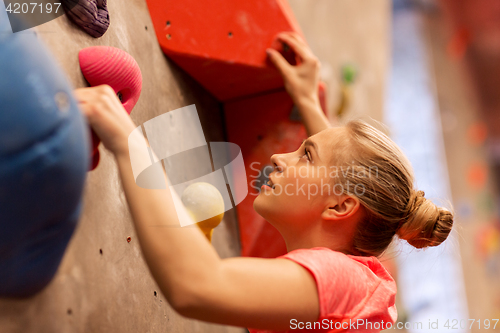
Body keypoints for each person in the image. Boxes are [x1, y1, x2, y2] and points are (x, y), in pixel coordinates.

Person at [74, 32, 453, 332]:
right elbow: (339, 179)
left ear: (340, 208)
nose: (277, 157)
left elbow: (197, 286)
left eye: (305, 154)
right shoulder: (354, 260)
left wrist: (127, 142)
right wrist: (306, 97)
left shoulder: (343, 281)